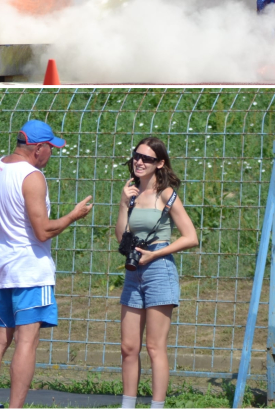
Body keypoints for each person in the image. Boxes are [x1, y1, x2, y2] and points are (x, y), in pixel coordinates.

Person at [0, 121, 93, 409]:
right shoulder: (32, 176)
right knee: (26, 342)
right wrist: (73, 216)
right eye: (51, 148)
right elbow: (43, 230)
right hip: (29, 270)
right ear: (38, 149)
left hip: (0, 270)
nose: (51, 154)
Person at [117, 137, 199, 410]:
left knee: (154, 347)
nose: (139, 162)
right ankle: (127, 405)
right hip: (134, 271)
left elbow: (190, 237)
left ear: (159, 163)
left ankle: (157, 406)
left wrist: (156, 253)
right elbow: (121, 239)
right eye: (137, 156)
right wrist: (121, 205)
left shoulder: (166, 194)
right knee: (128, 347)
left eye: (147, 159)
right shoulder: (131, 193)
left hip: (158, 268)